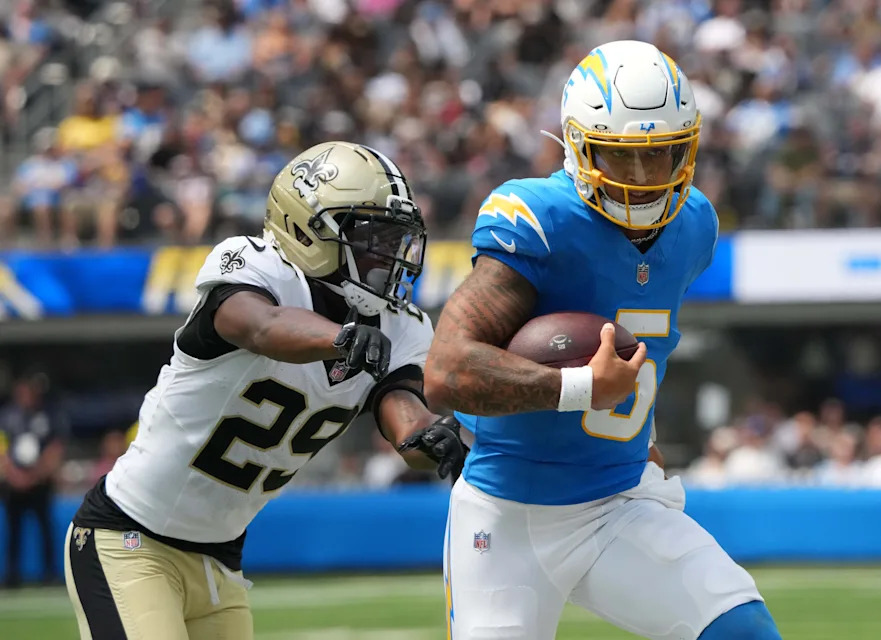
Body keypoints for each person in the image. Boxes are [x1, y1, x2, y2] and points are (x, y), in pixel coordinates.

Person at [414, 41, 781, 640]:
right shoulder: (540, 220)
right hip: (508, 513)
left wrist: (645, 432)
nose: (640, 179)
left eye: (658, 156)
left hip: (619, 499)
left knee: (743, 631)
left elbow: (639, 337)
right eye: (619, 157)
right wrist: (581, 387)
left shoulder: (694, 226)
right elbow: (445, 370)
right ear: (580, 148)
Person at [64, 141, 465, 639]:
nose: (388, 252)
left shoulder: (400, 326)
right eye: (371, 235)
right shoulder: (254, 267)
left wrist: (431, 439)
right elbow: (261, 325)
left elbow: (402, 413)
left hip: (220, 561)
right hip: (129, 537)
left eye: (393, 236)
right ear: (307, 228)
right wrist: (339, 337)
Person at [0, 373, 66, 588]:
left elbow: (55, 448)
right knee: (14, 530)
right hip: (13, 483)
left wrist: (36, 474)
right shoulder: (7, 416)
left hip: (41, 482)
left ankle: (50, 573)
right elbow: (3, 450)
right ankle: (12, 575)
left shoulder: (49, 415)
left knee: (45, 528)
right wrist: (14, 475)